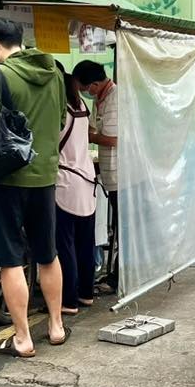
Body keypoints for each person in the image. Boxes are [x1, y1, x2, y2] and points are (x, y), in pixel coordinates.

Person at [0, 18, 67, 359]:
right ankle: (56, 327)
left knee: (10, 260)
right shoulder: (55, 72)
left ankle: (24, 338)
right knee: (47, 253)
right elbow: (59, 121)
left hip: (8, 179)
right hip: (45, 176)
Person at [54, 65, 97, 316]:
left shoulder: (61, 112)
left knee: (65, 244)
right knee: (84, 242)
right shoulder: (81, 107)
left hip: (66, 181)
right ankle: (86, 293)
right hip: (87, 179)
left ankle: (68, 300)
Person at [72, 61, 119, 294]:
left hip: (123, 176)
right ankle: (114, 275)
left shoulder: (115, 100)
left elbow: (112, 139)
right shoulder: (99, 99)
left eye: (84, 88)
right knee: (118, 226)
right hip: (110, 173)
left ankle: (118, 277)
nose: (83, 92)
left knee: (123, 229)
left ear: (96, 84)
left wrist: (86, 135)